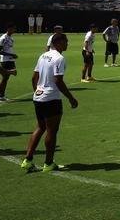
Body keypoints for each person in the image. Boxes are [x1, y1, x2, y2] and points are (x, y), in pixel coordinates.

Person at [20, 32, 78, 173]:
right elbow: (58, 81)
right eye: (65, 41)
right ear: (58, 42)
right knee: (52, 131)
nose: (67, 44)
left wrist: (37, 92)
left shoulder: (43, 55)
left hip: (38, 97)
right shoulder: (59, 58)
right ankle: (48, 163)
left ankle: (27, 160)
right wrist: (71, 98)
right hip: (51, 99)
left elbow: (34, 78)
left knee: (40, 128)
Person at [0, 23, 17, 103]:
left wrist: (12, 56)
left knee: (6, 79)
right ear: (9, 29)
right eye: (13, 28)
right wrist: (12, 54)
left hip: (10, 60)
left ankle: (1, 96)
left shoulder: (10, 38)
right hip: (5, 61)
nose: (14, 30)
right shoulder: (3, 38)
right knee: (4, 79)